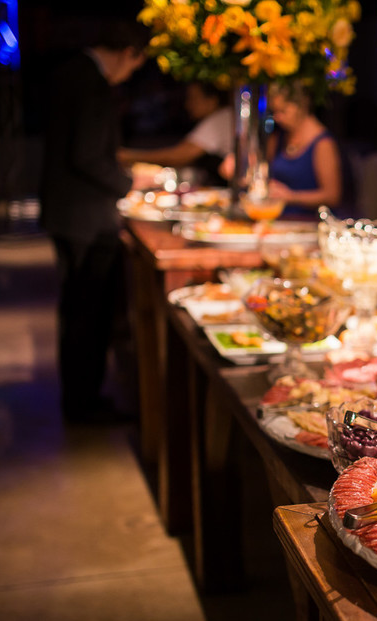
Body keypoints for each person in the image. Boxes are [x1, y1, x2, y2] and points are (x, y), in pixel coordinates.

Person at [40, 20, 147, 423]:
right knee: (87, 314)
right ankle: (83, 404)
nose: (130, 74)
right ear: (128, 52)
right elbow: (86, 155)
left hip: (66, 211)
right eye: (135, 66)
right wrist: (127, 183)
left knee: (76, 312)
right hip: (86, 217)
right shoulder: (92, 83)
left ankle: (79, 398)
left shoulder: (67, 73)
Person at [118, 83, 233, 183]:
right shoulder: (224, 115)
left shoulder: (220, 118)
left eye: (193, 98)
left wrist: (127, 156)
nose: (187, 105)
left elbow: (177, 156)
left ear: (212, 100)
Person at [265, 82, 343, 218]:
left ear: (302, 105)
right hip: (278, 219)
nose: (277, 118)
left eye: (282, 111)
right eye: (274, 112)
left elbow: (332, 196)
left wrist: (292, 197)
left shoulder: (323, 143)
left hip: (312, 222)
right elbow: (264, 173)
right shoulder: (279, 137)